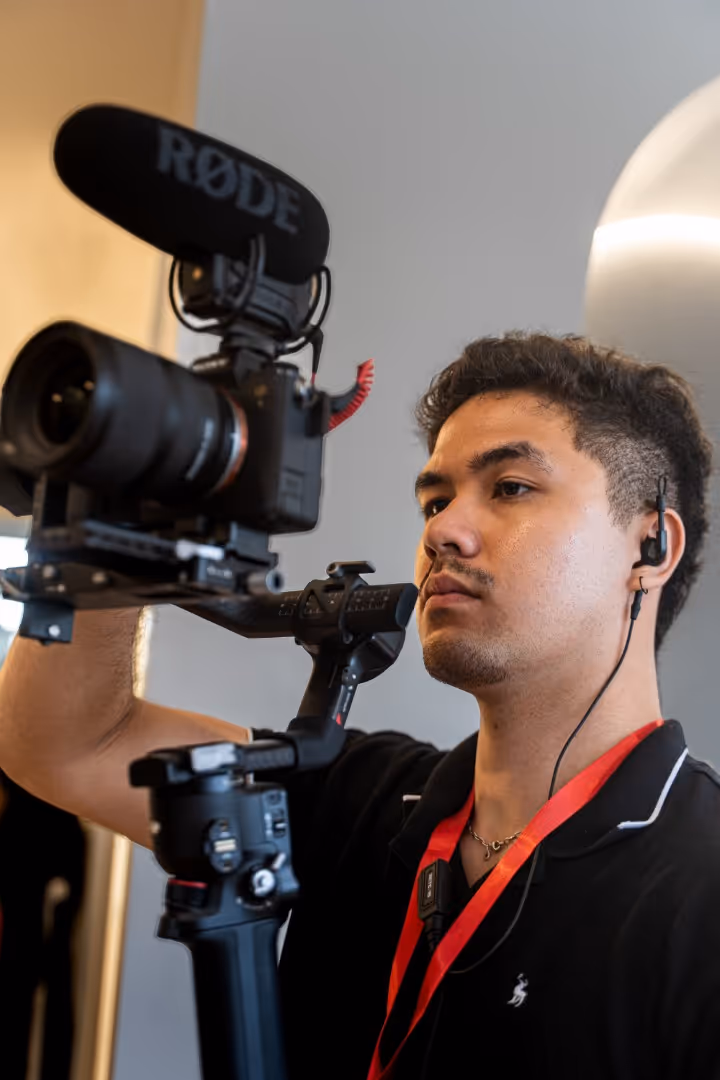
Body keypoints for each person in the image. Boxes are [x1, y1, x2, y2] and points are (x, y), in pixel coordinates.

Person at [0, 332, 717, 1079]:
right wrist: (118, 519)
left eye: (509, 487)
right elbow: (67, 742)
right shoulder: (362, 797)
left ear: (650, 549)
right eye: (435, 499)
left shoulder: (701, 892)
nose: (441, 530)